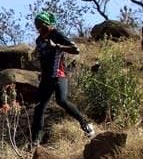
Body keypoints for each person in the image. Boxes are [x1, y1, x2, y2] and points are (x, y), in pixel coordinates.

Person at [31, 10, 96, 146]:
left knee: (62, 100)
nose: (39, 29)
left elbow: (75, 49)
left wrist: (57, 46)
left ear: (47, 24)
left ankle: (85, 124)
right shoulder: (39, 40)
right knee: (39, 108)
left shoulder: (57, 34)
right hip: (46, 78)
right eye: (37, 26)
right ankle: (35, 142)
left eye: (41, 25)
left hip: (59, 75)